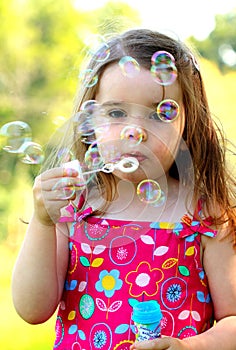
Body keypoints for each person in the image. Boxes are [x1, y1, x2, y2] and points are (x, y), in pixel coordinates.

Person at [11, 28, 236, 350]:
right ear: (89, 122)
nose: (136, 131)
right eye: (116, 113)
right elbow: (32, 310)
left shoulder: (203, 214)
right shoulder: (73, 206)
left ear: (189, 122)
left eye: (159, 114)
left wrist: (189, 347)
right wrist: (43, 221)